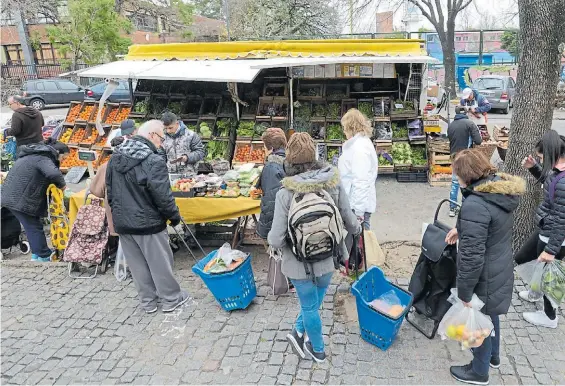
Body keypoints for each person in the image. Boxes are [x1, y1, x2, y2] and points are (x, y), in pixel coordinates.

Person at [267, 133, 361, 363]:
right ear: (316, 156)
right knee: (317, 297)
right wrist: (358, 230)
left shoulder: (284, 194)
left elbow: (276, 240)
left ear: (289, 161)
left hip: (298, 264)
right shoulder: (333, 184)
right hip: (329, 258)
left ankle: (318, 350)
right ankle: (299, 331)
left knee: (309, 306)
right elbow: (350, 221)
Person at [445, 149, 525, 385]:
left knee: (478, 320)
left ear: (467, 176)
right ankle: (494, 357)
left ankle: (479, 372)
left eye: (456, 174)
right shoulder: (497, 192)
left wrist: (465, 293)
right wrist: (462, 229)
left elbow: (471, 257)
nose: (455, 178)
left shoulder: (475, 204)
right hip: (499, 266)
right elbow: (490, 224)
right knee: (490, 314)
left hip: (484, 274)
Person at [106, 120, 189, 313]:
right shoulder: (152, 160)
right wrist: (174, 216)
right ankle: (171, 299)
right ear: (152, 135)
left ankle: (148, 302)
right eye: (161, 138)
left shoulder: (115, 157)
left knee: (137, 265)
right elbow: (163, 195)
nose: (162, 143)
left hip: (124, 222)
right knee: (159, 262)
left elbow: (109, 191)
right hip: (148, 222)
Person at [515, 130, 565, 328]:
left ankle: (550, 317)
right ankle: (535, 293)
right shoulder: (558, 170)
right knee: (522, 257)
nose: (541, 160)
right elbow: (551, 184)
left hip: (556, 237)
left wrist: (551, 251)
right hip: (547, 228)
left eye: (541, 158)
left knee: (548, 277)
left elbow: (563, 219)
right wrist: (533, 168)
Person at [1, 138, 68, 262]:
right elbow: (54, 174)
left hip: (12, 196)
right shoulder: (43, 158)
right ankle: (43, 255)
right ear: (57, 153)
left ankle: (37, 254)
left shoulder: (32, 155)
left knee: (32, 224)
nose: (63, 161)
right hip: (19, 199)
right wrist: (63, 187)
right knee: (33, 226)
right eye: (63, 158)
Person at [338, 108, 379, 230]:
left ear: (351, 127)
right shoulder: (359, 144)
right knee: (359, 243)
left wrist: (358, 213)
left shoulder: (360, 149)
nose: (344, 131)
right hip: (353, 202)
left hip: (356, 206)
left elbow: (361, 181)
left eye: (345, 127)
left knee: (362, 242)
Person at [90, 134, 134, 236]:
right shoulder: (137, 164)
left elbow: (95, 190)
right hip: (135, 216)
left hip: (114, 213)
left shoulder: (105, 166)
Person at [447, 106, 483, 217]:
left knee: (455, 182)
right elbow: (478, 141)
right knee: (466, 182)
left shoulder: (451, 125)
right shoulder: (470, 124)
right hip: (466, 158)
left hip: (454, 157)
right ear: (466, 113)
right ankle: (464, 208)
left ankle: (452, 208)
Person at [256, 128, 287, 239]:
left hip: (278, 228)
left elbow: (270, 202)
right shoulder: (289, 161)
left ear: (271, 148)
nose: (264, 150)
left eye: (264, 147)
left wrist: (266, 232)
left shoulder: (271, 167)